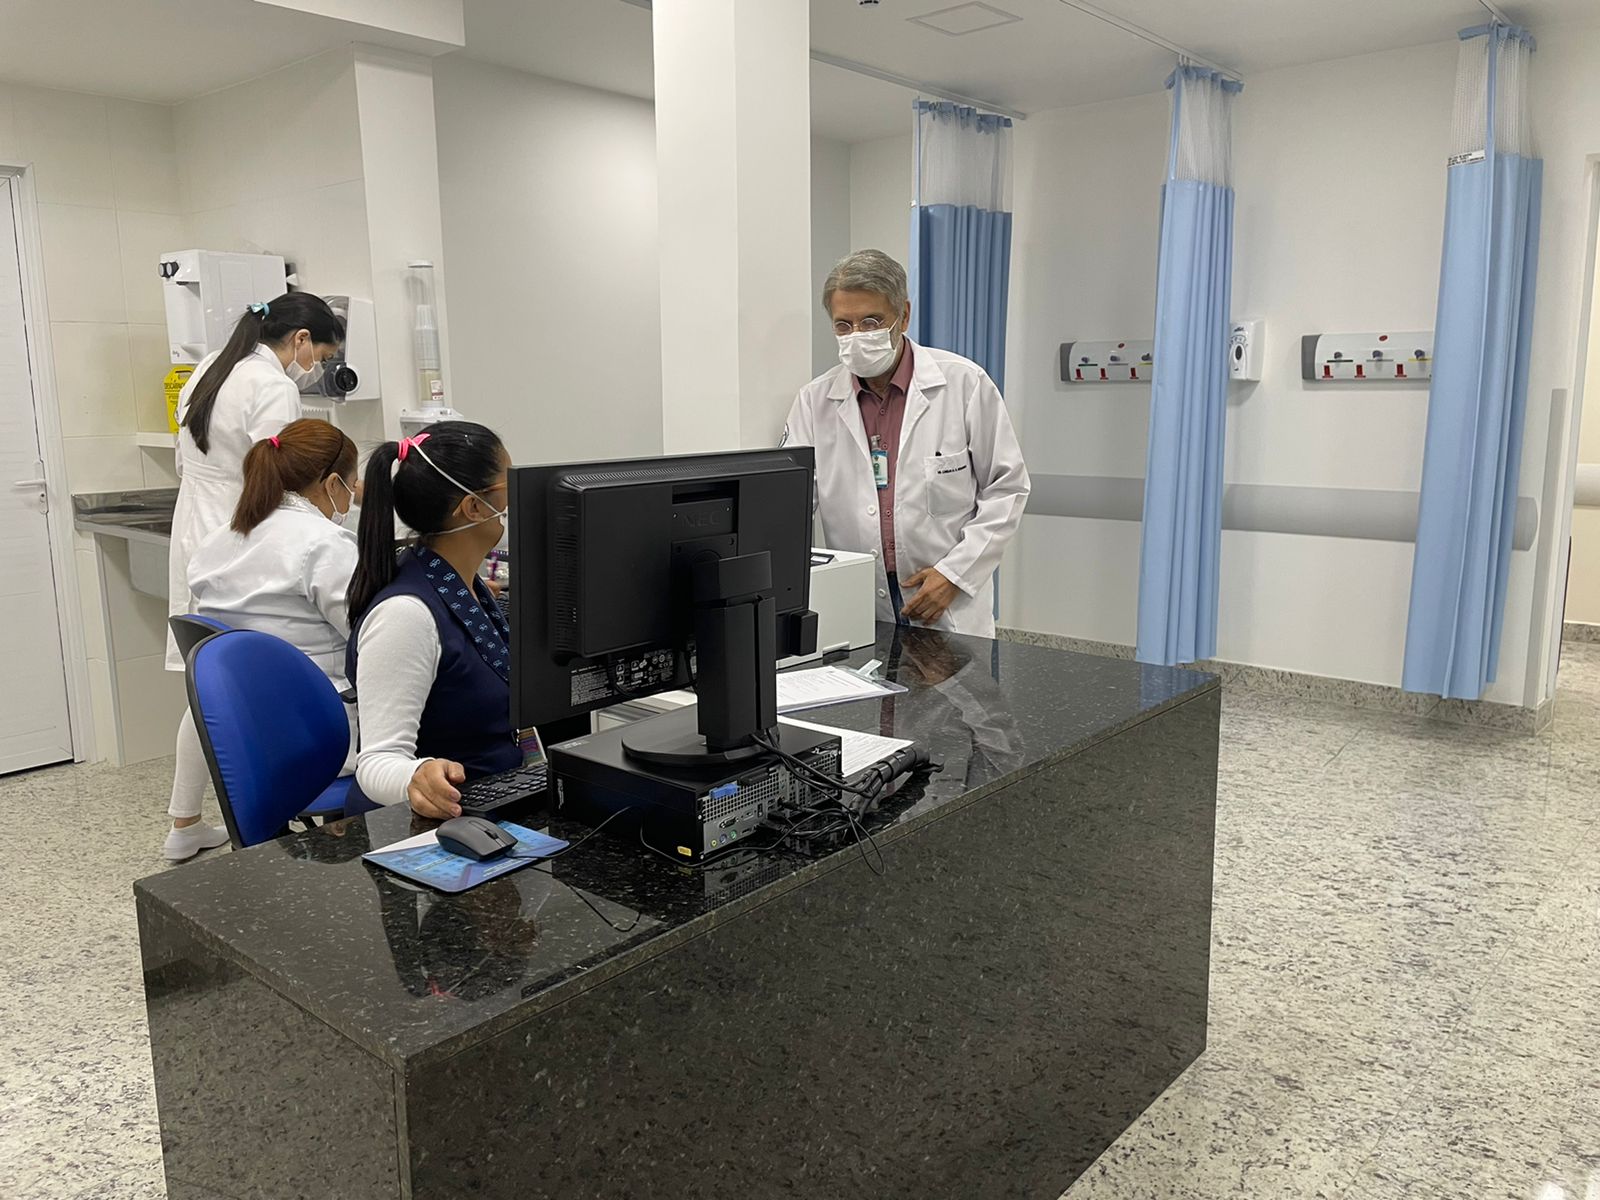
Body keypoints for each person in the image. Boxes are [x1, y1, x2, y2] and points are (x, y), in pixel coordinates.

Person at [161, 294, 345, 859]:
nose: (315, 368)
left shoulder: (211, 367)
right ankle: (269, 805)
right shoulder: (273, 385)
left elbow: (183, 458)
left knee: (211, 678)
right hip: (244, 527)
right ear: (300, 340)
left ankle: (185, 821)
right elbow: (288, 473)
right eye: (321, 356)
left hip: (200, 531)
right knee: (246, 676)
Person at [783, 249, 1030, 638]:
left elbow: (1007, 488)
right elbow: (790, 505)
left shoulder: (964, 384)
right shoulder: (814, 402)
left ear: (904, 315)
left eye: (871, 321)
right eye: (843, 325)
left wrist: (956, 574)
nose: (857, 336)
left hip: (946, 600)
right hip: (858, 599)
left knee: (953, 680)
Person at [345, 421, 516, 817]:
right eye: (510, 487)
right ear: (474, 507)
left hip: (492, 798)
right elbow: (377, 763)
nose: (515, 501)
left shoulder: (463, 585)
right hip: (432, 822)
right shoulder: (405, 616)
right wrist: (417, 775)